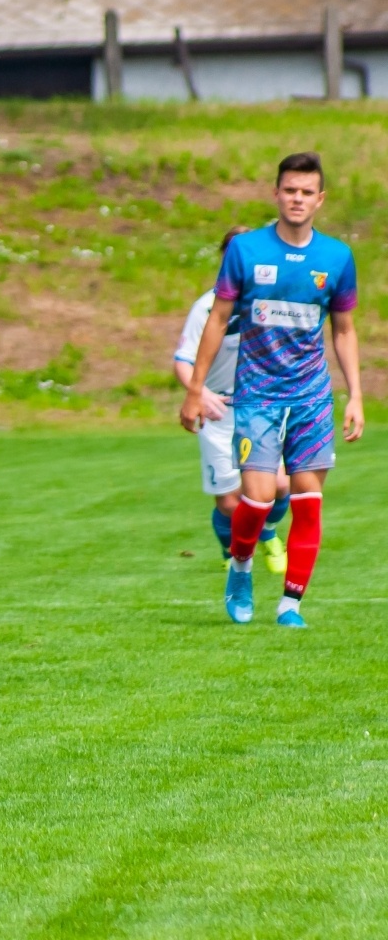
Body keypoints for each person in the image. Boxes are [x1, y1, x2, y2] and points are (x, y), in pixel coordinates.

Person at [179, 152, 363, 627]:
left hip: (311, 397)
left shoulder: (337, 257)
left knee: (307, 498)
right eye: (290, 190)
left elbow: (343, 329)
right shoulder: (246, 251)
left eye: (307, 192)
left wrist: (356, 396)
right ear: (275, 194)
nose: (297, 199)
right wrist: (194, 390)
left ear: (320, 200)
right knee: (257, 500)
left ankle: (290, 605)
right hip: (257, 395)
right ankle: (240, 569)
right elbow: (217, 320)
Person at [172, 226, 290, 571]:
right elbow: (183, 360)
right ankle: (234, 553)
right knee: (228, 501)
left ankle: (265, 532)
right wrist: (200, 393)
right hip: (219, 411)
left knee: (280, 485)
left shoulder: (272, 303)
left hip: (261, 407)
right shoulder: (206, 307)